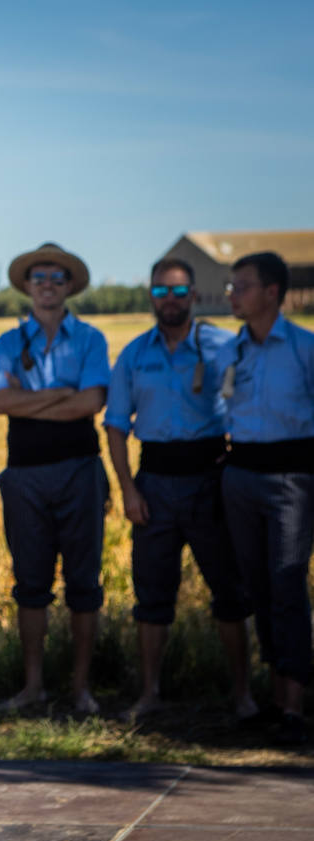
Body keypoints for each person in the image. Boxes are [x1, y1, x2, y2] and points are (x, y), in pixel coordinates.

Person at [104, 258, 256, 722]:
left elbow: (250, 403)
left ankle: (242, 695)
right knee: (151, 594)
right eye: (160, 292)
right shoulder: (134, 354)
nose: (169, 301)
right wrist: (129, 491)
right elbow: (114, 427)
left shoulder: (224, 346)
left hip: (211, 479)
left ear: (194, 295)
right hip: (154, 483)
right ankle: (150, 693)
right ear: (150, 296)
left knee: (229, 593)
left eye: (178, 292)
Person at [0, 242, 110, 715]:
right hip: (24, 476)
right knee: (30, 583)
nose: (47, 285)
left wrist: (31, 399)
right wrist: (62, 395)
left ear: (69, 287)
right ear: (27, 287)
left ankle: (80, 688)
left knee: (84, 582)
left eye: (57, 278)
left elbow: (92, 402)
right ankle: (33, 686)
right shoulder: (7, 343)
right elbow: (0, 403)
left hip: (80, 470)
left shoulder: (91, 339)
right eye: (39, 277)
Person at [217, 251, 314, 747]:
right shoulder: (235, 350)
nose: (232, 295)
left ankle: (295, 703)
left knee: (287, 582)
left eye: (241, 287)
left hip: (290, 478)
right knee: (258, 586)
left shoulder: (303, 348)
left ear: (272, 292)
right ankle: (277, 695)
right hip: (241, 475)